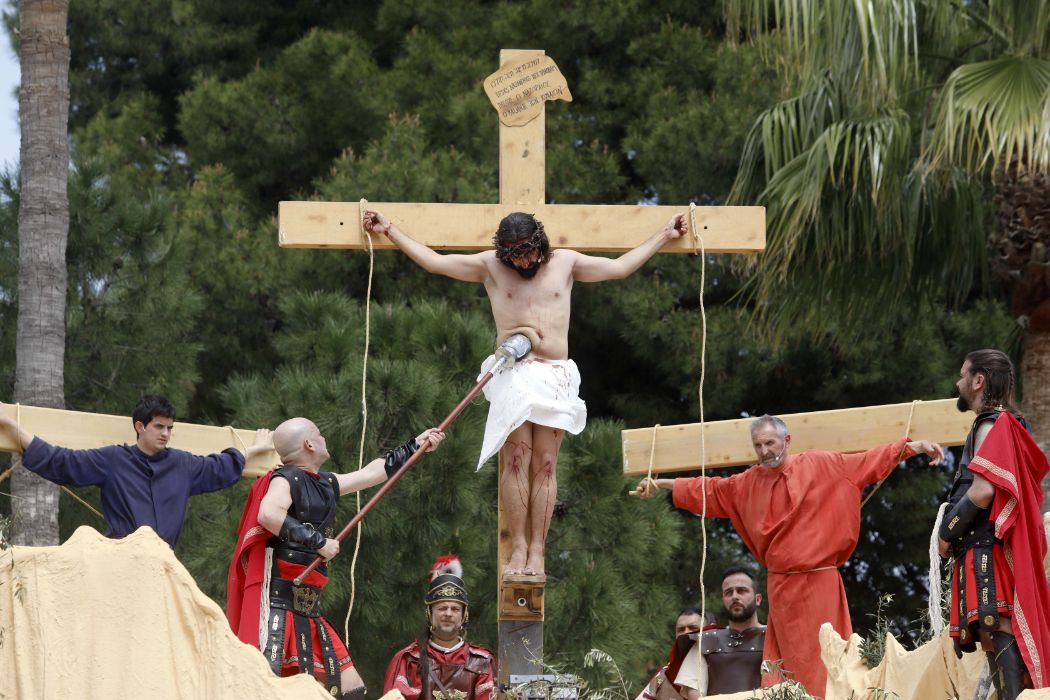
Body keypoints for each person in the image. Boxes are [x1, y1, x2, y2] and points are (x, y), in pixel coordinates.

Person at [363, 208, 687, 578]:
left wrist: (663, 235)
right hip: (513, 371)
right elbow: (436, 262)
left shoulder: (565, 263)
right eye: (515, 255)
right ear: (504, 253)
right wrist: (389, 229)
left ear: (540, 244)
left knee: (546, 465)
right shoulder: (490, 267)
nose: (524, 261)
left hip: (554, 374)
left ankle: (538, 550)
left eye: (529, 252)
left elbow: (619, 268)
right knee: (517, 459)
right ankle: (518, 547)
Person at [634, 414, 945, 695]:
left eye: (769, 442)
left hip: (821, 583)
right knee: (789, 668)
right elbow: (709, 489)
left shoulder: (822, 464)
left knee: (830, 658)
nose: (765, 450)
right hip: (782, 587)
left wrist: (913, 446)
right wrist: (661, 483)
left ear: (786, 440)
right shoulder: (746, 483)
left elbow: (868, 461)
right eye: (758, 445)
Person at [226, 416, 444, 699]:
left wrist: (416, 445)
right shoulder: (285, 479)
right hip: (280, 608)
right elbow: (268, 514)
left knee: (352, 689)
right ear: (309, 444)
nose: (324, 437)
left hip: (309, 607)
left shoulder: (326, 482)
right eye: (319, 433)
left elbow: (371, 473)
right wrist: (318, 542)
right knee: (268, 688)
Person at [0, 394, 271, 548]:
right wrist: (14, 430)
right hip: (119, 562)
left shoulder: (183, 464)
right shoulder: (114, 459)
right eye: (159, 427)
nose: (166, 434)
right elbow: (63, 462)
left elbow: (222, 466)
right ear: (140, 427)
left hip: (164, 567)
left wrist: (256, 449)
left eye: (169, 428)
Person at [936, 349, 1050, 700]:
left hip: (985, 547)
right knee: (996, 628)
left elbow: (984, 490)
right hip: (992, 545)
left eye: (962, 375)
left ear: (978, 380)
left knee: (996, 625)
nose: (958, 383)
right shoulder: (1013, 424)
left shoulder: (990, 424)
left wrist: (946, 530)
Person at [384, 555, 497, 700]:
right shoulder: (408, 661)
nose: (448, 614)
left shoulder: (482, 661)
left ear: (464, 615)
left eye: (455, 609)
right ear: (429, 613)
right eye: (442, 608)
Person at [675, 568, 766, 698]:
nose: (735, 596)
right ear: (723, 599)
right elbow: (694, 692)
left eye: (741, 591)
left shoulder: (773, 638)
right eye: (729, 592)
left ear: (758, 599)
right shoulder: (706, 640)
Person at [635, 608, 720, 700]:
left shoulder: (724, 669)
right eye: (681, 629)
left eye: (693, 628)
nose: (686, 633)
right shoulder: (663, 675)